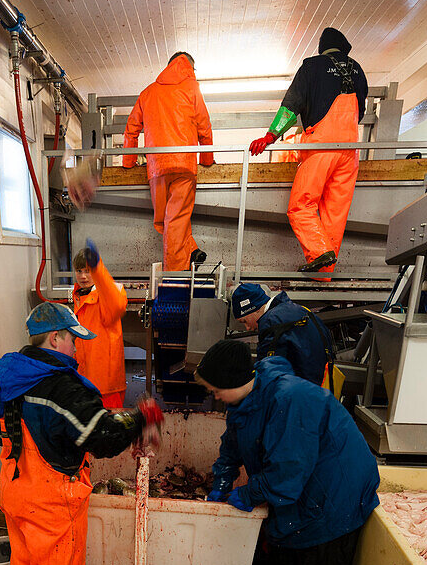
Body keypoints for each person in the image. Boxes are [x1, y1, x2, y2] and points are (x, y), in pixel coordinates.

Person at [0, 302, 163, 565]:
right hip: (51, 506)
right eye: (73, 340)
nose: (76, 349)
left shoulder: (10, 375)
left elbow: (0, 429)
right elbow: (100, 438)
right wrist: (141, 417)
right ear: (55, 338)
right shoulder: (61, 386)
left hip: (16, 493)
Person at [195, 339, 378, 565]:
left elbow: (286, 477)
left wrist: (246, 493)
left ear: (233, 381)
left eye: (214, 388)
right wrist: (222, 481)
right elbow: (231, 446)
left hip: (333, 498)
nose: (212, 394)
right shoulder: (244, 401)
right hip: (301, 487)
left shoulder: (290, 399)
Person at [250, 28, 368, 277]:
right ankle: (324, 273)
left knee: (301, 206)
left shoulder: (312, 67)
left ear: (322, 48)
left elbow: (292, 105)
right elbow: (362, 112)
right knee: (334, 212)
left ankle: (319, 252)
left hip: (321, 146)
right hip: (350, 151)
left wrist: (271, 135)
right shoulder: (358, 70)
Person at [122, 52, 215, 272]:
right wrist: (207, 159)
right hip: (183, 165)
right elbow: (205, 126)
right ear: (190, 68)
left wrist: (128, 162)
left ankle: (190, 252)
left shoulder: (148, 93)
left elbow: (131, 128)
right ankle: (176, 274)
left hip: (157, 168)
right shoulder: (192, 88)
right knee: (175, 221)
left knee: (167, 221)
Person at [230, 282, 334, 386]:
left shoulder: (271, 321)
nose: (247, 328)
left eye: (244, 321)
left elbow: (267, 373)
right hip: (320, 387)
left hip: (302, 393)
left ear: (253, 309)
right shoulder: (300, 310)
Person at [72, 239, 127, 409]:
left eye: (88, 271)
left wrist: (98, 268)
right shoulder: (80, 295)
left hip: (106, 385)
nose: (83, 276)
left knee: (111, 430)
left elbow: (116, 302)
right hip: (85, 379)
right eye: (79, 271)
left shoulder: (108, 295)